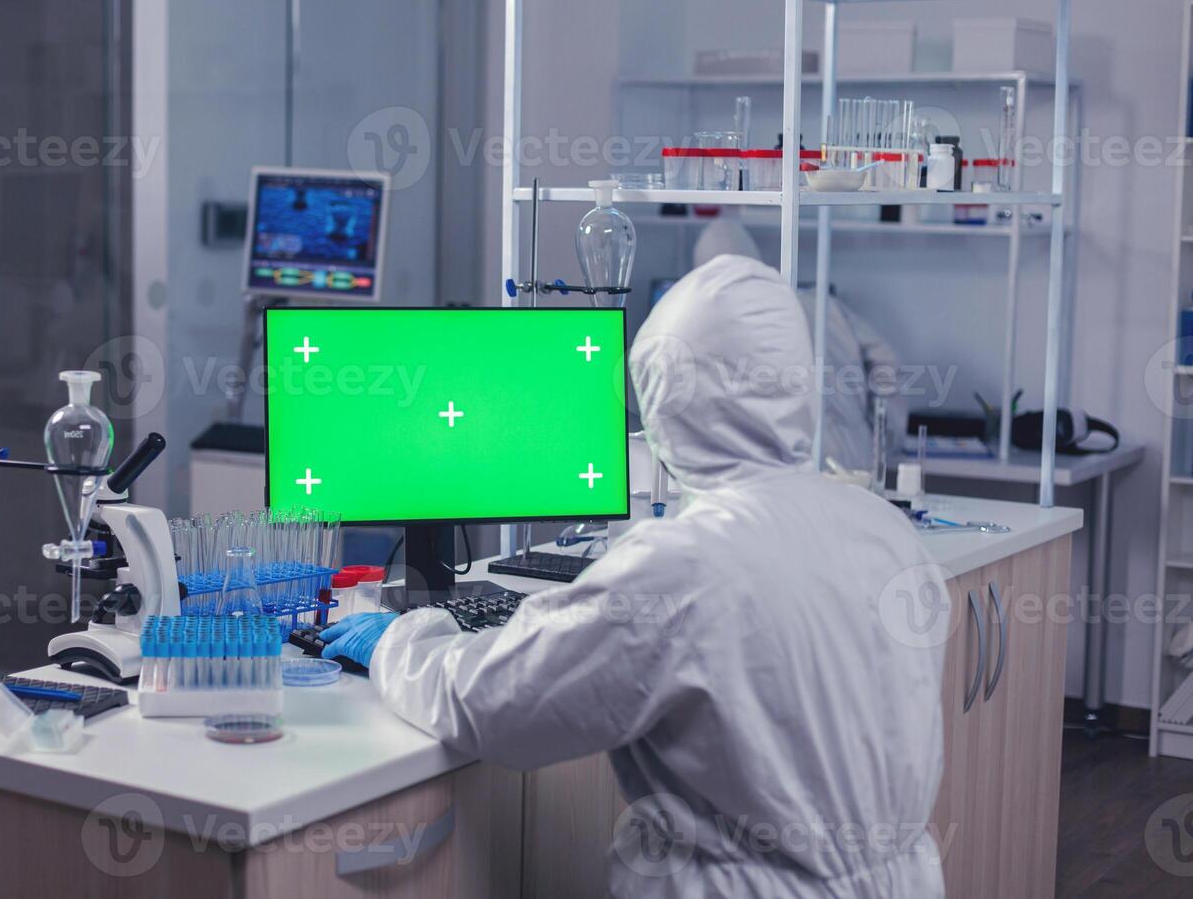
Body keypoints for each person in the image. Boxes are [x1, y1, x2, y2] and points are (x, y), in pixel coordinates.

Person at [321, 255, 947, 897]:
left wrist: (393, 641)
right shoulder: (882, 528)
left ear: (668, 398)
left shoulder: (688, 564)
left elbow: (495, 702)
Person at [691, 212, 902, 473]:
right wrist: (884, 438)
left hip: (795, 461)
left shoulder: (718, 326)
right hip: (856, 455)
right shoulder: (822, 305)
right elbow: (885, 363)